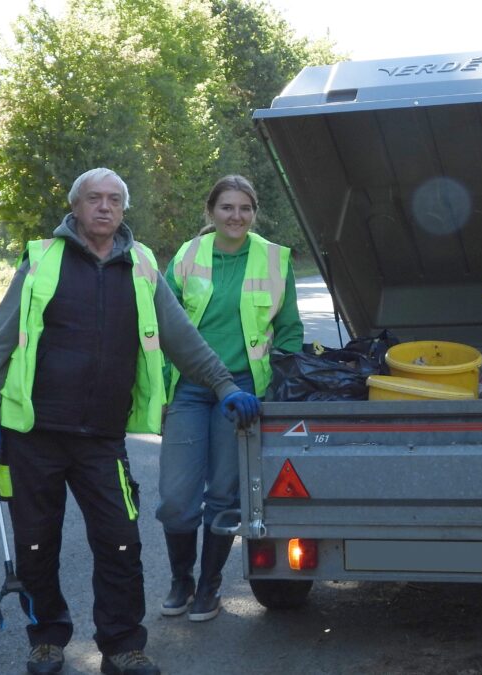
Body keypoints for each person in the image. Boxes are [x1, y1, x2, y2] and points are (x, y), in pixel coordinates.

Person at [0, 168, 260, 675]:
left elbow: (182, 337)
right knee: (36, 544)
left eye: (114, 200)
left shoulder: (141, 265)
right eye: (94, 199)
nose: (104, 207)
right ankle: (47, 639)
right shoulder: (42, 260)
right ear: (76, 207)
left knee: (121, 541)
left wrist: (224, 384)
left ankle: (123, 645)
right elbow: (3, 337)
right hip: (32, 434)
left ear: (124, 210)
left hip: (103, 439)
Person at [155, 175, 303, 622]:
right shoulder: (188, 255)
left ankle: (208, 587)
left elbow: (291, 330)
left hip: (242, 392)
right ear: (211, 212)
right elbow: (160, 321)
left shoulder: (276, 259)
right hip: (189, 388)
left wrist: (280, 386)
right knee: (178, 501)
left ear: (254, 212)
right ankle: (181, 577)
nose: (236, 216)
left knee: (223, 494)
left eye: (244, 208)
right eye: (227, 208)